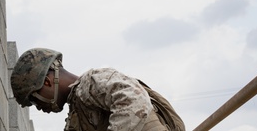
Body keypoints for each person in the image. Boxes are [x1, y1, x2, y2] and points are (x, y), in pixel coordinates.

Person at [11, 48, 185, 131]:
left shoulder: (91, 83)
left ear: (48, 82)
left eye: (34, 100)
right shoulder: (77, 114)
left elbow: (134, 100)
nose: (40, 108)